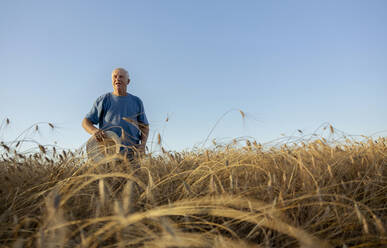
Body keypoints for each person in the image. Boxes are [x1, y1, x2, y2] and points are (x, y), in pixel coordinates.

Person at [82, 68, 149, 162]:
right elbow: (86, 122)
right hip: (108, 156)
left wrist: (143, 145)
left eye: (121, 76)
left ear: (128, 81)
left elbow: (145, 127)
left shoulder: (137, 101)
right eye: (115, 76)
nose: (117, 79)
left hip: (132, 155)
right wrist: (94, 130)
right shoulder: (103, 100)